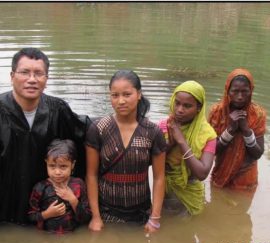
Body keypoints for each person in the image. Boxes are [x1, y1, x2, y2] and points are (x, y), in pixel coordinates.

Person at [0, 48, 90, 225]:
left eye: (38, 73)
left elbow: (85, 132)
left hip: (47, 202)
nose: (32, 79)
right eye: (25, 72)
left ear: (46, 80)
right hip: (5, 200)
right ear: (12, 76)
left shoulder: (58, 110)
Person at [85, 70, 166, 233]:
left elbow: (159, 177)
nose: (121, 101)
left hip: (141, 214)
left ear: (139, 94)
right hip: (106, 213)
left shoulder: (152, 132)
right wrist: (95, 217)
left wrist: (155, 218)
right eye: (115, 95)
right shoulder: (99, 129)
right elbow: (91, 175)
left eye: (127, 94)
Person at [158, 81, 217, 216]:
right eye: (177, 103)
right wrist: (170, 144)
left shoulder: (208, 135)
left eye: (187, 106)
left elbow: (202, 174)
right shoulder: (163, 126)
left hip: (190, 195)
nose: (179, 109)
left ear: (199, 108)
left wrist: (181, 141)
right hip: (163, 191)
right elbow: (149, 162)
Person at [208, 68, 266, 190]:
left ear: (251, 91)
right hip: (220, 174)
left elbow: (258, 153)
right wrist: (230, 130)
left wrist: (246, 130)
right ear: (227, 90)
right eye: (235, 91)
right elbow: (210, 151)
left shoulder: (258, 114)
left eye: (245, 91)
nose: (240, 97)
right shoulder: (217, 113)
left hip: (246, 180)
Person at [28, 139, 91, 233]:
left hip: (73, 238)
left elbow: (86, 218)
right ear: (46, 163)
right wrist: (47, 214)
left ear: (72, 165)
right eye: (52, 166)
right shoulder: (40, 187)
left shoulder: (78, 185)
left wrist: (73, 200)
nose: (57, 172)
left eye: (63, 166)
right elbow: (30, 217)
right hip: (48, 239)